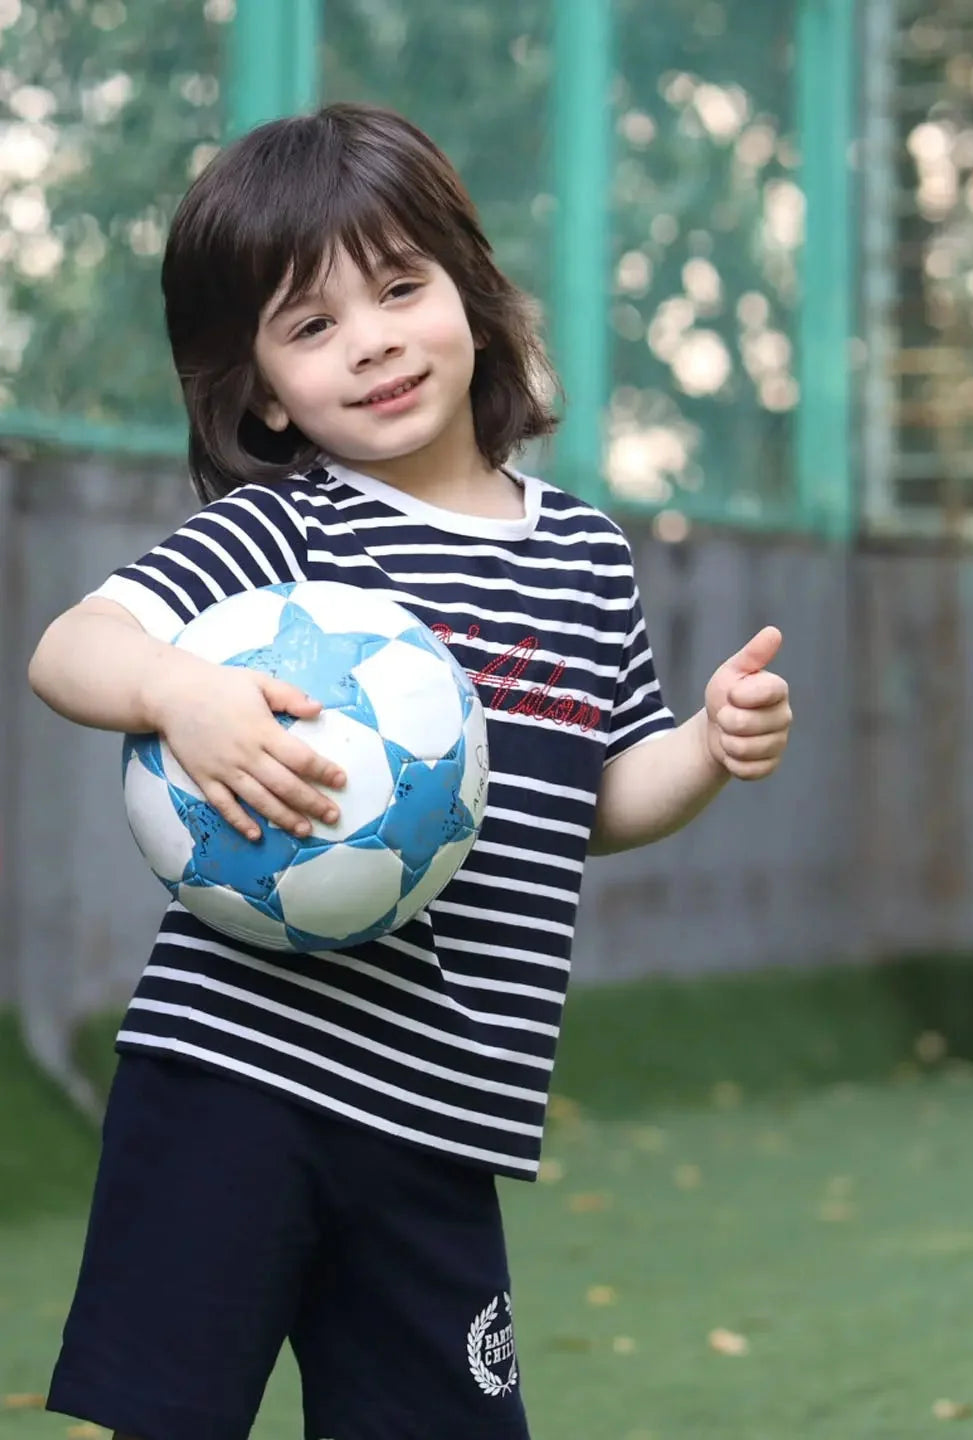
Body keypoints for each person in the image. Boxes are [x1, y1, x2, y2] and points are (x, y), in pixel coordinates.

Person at [27, 103, 793, 1440]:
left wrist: (706, 751)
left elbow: (592, 799)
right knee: (160, 1418)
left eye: (397, 288)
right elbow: (69, 648)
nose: (370, 340)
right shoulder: (277, 538)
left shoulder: (586, 561)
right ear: (263, 388)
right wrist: (178, 691)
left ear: (472, 297)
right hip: (234, 1079)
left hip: (444, 1117)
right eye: (311, 325)